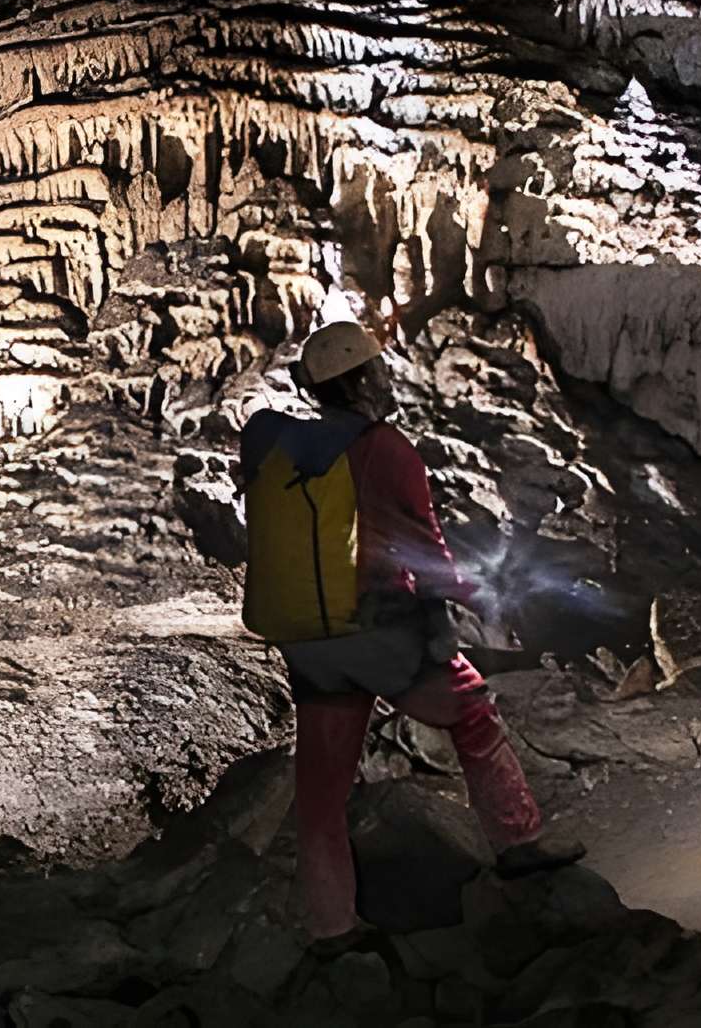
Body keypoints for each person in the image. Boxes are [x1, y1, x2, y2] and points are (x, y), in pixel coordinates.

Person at [238, 321, 581, 941]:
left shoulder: (286, 451)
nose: (387, 376)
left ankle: (333, 931)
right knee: (472, 711)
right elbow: (426, 552)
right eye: (379, 368)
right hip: (380, 636)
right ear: (362, 379)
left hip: (309, 642)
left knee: (321, 796)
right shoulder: (383, 449)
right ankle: (519, 841)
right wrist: (474, 597)